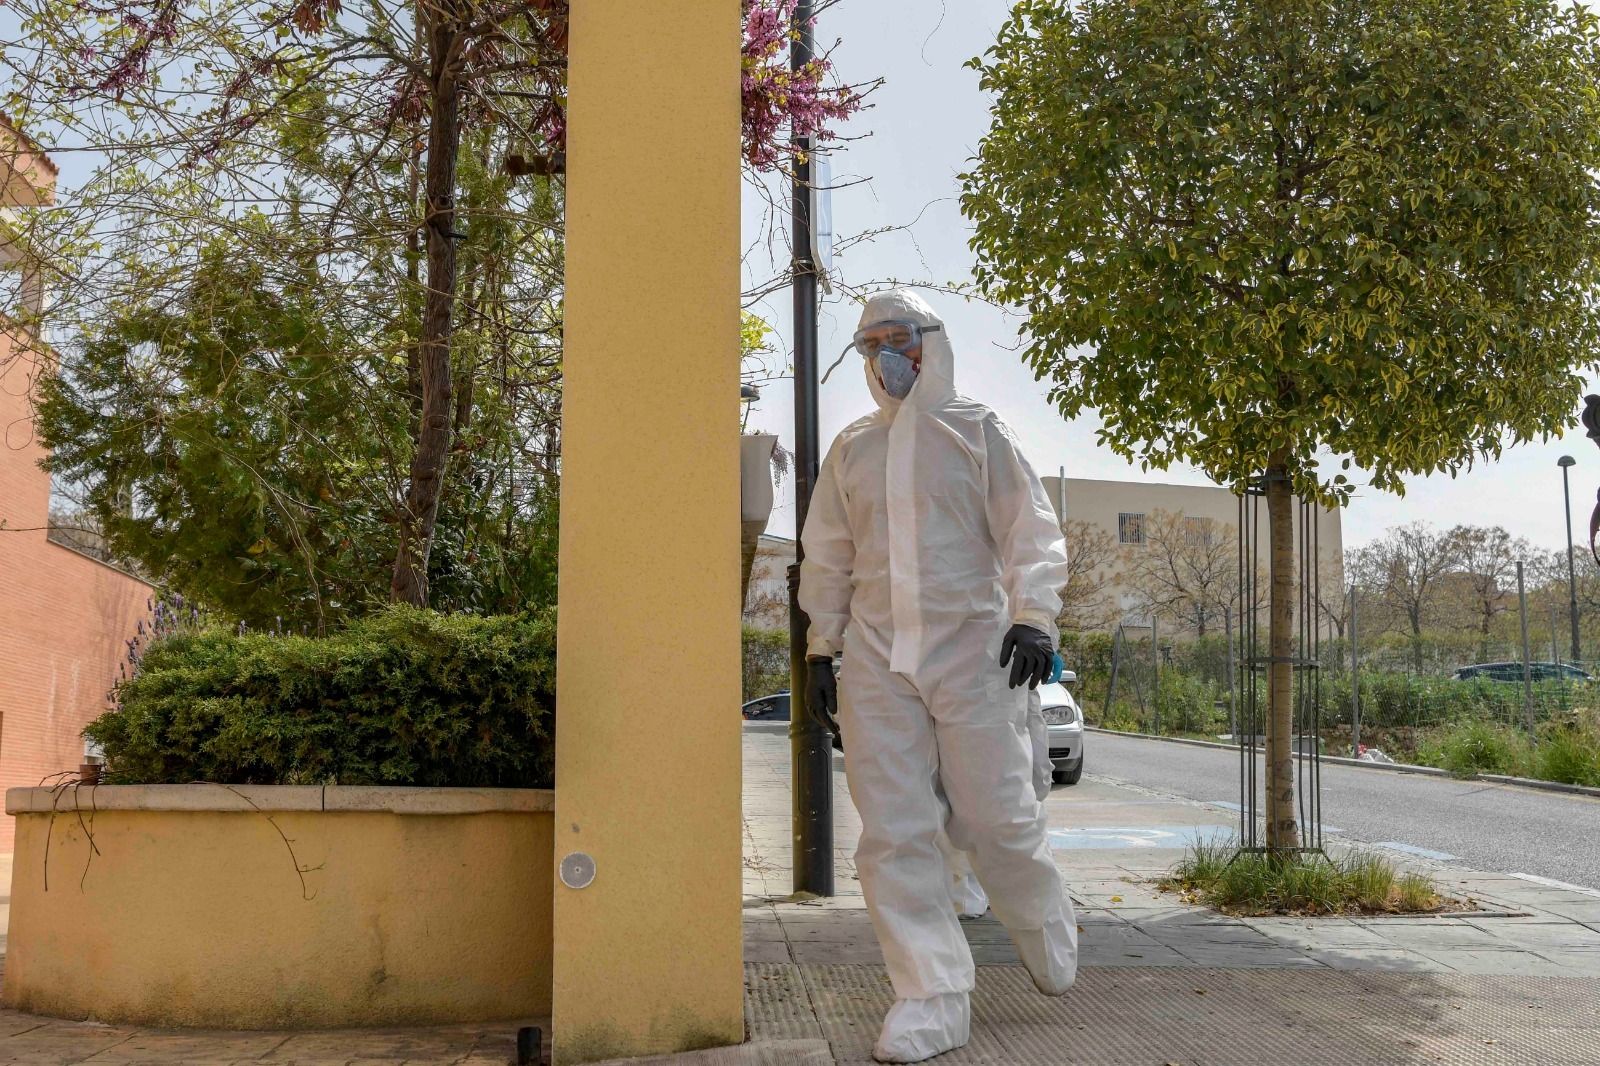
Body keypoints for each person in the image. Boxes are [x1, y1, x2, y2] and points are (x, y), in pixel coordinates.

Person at [800, 288, 1077, 1063]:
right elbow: (828, 554)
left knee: (996, 819)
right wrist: (824, 647)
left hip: (973, 649)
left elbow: (1031, 531)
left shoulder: (977, 432)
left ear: (932, 343)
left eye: (901, 338)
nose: (888, 355)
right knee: (892, 833)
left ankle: (1038, 910)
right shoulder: (854, 449)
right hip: (880, 658)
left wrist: (1033, 616)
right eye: (873, 344)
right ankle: (932, 994)